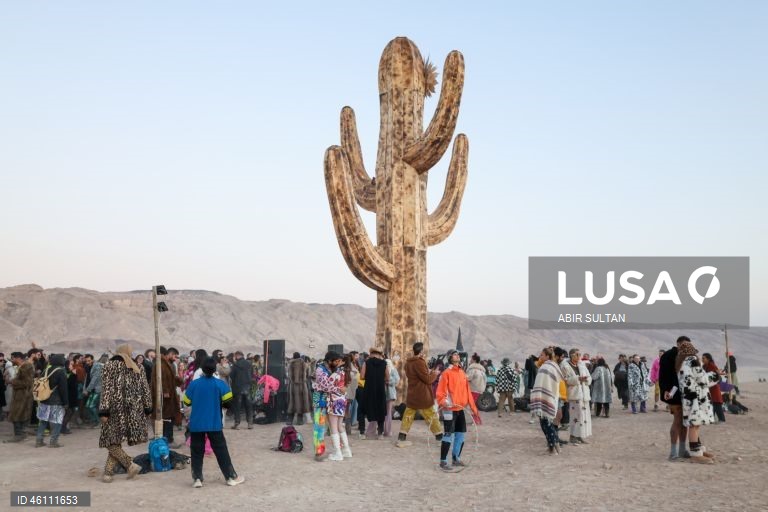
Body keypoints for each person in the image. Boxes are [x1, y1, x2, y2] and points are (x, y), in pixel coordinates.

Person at [182, 357, 244, 487]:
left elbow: (186, 402)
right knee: (221, 451)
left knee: (197, 451)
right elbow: (228, 403)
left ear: (202, 369)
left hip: (196, 424)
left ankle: (197, 479)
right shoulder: (220, 384)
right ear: (215, 369)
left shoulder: (194, 384)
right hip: (214, 423)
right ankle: (231, 477)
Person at [98, 344, 150, 482]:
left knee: (111, 440)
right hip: (133, 410)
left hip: (114, 409)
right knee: (114, 441)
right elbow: (145, 389)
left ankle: (129, 465)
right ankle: (108, 473)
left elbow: (106, 390)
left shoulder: (109, 366)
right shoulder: (138, 366)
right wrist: (147, 408)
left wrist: (103, 410)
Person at [435, 350, 478, 470]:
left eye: (458, 354)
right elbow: (440, 392)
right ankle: (443, 461)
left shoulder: (462, 373)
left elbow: (467, 392)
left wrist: (474, 409)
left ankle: (456, 458)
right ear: (449, 358)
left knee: (460, 435)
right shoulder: (446, 373)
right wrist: (444, 402)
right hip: (449, 409)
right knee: (448, 435)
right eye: (455, 354)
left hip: (460, 409)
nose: (457, 355)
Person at [676, 341, 717, 464]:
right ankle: (695, 454)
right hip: (696, 398)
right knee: (694, 424)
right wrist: (715, 376)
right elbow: (702, 379)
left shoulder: (680, 362)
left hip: (688, 398)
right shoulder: (692, 360)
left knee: (694, 424)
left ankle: (698, 449)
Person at [396, 342, 443, 447]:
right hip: (422, 394)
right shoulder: (419, 362)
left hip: (412, 394)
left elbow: (416, 376)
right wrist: (434, 374)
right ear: (421, 351)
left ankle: (401, 437)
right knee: (430, 414)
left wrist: (428, 371)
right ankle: (439, 436)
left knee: (408, 415)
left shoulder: (408, 363)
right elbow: (427, 380)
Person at [530, 347, 564, 454]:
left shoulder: (545, 367)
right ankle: (556, 446)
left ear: (548, 356)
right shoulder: (554, 366)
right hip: (552, 398)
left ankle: (552, 449)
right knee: (550, 424)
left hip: (545, 398)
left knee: (546, 425)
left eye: (542, 355)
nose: (540, 357)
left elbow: (541, 384)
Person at [35, 353, 68, 448]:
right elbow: (63, 389)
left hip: (44, 399)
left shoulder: (46, 369)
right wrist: (65, 403)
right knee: (57, 421)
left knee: (43, 420)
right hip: (56, 401)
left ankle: (39, 440)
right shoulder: (61, 371)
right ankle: (53, 442)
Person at [152, 346, 183, 447]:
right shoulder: (161, 364)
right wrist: (166, 393)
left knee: (168, 418)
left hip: (168, 396)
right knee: (168, 418)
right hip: (165, 398)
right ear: (170, 354)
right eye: (175, 356)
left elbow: (170, 378)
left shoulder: (166, 363)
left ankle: (167, 439)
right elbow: (162, 379)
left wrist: (179, 380)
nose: (175, 358)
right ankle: (168, 440)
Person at [561, 348, 592, 445]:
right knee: (576, 416)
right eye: (577, 354)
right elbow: (566, 380)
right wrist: (578, 379)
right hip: (575, 395)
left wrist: (586, 379)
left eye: (580, 354)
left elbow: (590, 377)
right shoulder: (565, 366)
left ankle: (580, 436)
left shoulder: (582, 365)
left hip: (584, 394)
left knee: (584, 416)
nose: (579, 356)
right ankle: (573, 436)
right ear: (572, 355)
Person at [312, 351, 337, 461]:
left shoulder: (328, 369)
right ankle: (319, 453)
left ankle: (321, 451)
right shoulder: (320, 370)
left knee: (323, 427)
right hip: (320, 401)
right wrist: (338, 388)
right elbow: (326, 386)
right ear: (329, 360)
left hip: (326, 400)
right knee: (319, 427)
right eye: (335, 361)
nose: (336, 363)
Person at [4, 352, 34, 443]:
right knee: (19, 414)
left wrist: (11, 382)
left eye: (12, 358)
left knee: (17, 415)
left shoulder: (26, 367)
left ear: (18, 358)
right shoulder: (23, 367)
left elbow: (27, 383)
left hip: (23, 396)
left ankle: (19, 435)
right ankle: (20, 434)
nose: (11, 360)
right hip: (20, 395)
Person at [326, 353, 351, 461]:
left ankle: (338, 453)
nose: (337, 362)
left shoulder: (337, 374)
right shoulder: (346, 373)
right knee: (340, 425)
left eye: (339, 361)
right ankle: (346, 450)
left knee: (333, 427)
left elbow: (327, 386)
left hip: (334, 401)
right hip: (342, 401)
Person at [360, 346, 388, 440]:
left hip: (368, 389)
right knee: (381, 409)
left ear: (371, 353)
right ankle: (380, 433)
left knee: (363, 409)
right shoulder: (384, 363)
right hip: (380, 389)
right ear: (379, 354)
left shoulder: (366, 363)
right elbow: (387, 378)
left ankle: (362, 433)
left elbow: (362, 376)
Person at [229, 351, 253, 430]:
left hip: (237, 387)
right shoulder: (249, 363)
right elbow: (251, 374)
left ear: (236, 356)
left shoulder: (235, 365)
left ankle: (237, 423)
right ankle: (250, 423)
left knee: (237, 406)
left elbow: (232, 376)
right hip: (247, 386)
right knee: (248, 405)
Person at [83, 354, 108, 427]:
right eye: (86, 361)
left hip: (97, 389)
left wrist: (87, 389)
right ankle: (94, 420)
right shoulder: (88, 367)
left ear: (92, 360)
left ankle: (97, 421)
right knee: (88, 406)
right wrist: (85, 389)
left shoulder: (97, 366)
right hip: (92, 390)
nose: (87, 362)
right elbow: (87, 378)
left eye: (89, 360)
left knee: (91, 406)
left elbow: (94, 379)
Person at [287, 352, 311, 426]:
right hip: (303, 386)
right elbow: (308, 375)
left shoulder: (290, 365)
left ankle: (290, 420)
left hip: (293, 386)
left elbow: (289, 375)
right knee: (302, 402)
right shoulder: (305, 365)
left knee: (292, 402)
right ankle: (299, 421)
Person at [701, 353, 725, 423]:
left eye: (704, 358)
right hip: (708, 387)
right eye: (702, 358)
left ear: (708, 359)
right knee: (711, 403)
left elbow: (717, 376)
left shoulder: (712, 365)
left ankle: (722, 419)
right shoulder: (704, 366)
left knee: (717, 403)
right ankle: (711, 418)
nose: (702, 360)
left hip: (714, 387)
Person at [466, 354, 486, 425]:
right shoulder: (482, 369)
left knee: (471, 405)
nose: (470, 360)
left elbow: (467, 378)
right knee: (473, 405)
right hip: (479, 389)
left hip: (473, 389)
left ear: (474, 360)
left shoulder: (472, 369)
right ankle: (477, 420)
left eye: (471, 359)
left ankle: (476, 420)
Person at [383, 357, 400, 437]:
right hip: (382, 393)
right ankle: (382, 429)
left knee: (389, 413)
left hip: (390, 394)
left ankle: (388, 430)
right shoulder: (382, 370)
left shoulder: (393, 370)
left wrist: (388, 380)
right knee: (383, 412)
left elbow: (397, 380)